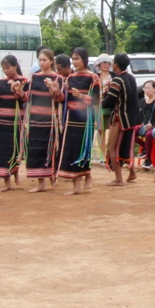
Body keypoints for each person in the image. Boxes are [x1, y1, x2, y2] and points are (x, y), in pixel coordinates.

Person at [58, 47, 101, 196]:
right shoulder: (70, 78)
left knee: (83, 149)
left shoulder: (93, 78)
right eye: (73, 59)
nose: (75, 62)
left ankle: (86, 175)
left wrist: (81, 96)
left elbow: (96, 100)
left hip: (85, 120)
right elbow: (63, 99)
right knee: (70, 149)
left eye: (77, 59)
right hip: (71, 119)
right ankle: (76, 184)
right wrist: (54, 90)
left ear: (84, 59)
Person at [25, 49, 64, 193]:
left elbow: (61, 99)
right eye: (40, 60)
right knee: (36, 150)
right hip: (35, 119)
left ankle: (53, 177)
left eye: (44, 60)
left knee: (51, 148)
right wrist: (17, 90)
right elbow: (26, 97)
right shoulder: (34, 77)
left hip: (50, 120)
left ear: (51, 61)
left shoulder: (57, 78)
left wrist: (54, 90)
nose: (42, 63)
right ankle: (41, 182)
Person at [102, 53, 140, 185]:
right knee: (126, 145)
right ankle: (132, 172)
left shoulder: (117, 80)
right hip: (131, 118)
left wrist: (99, 100)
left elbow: (110, 102)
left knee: (112, 148)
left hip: (120, 118)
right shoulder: (130, 77)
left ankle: (119, 178)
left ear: (116, 64)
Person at [0, 55, 28, 192]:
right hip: (1, 120)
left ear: (15, 66)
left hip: (16, 120)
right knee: (3, 150)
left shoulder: (24, 81)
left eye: (8, 67)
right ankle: (7, 180)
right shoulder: (1, 82)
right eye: (3, 68)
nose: (6, 71)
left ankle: (15, 172)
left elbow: (25, 99)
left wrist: (18, 90)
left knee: (15, 148)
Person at [139, 80, 155, 170]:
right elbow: (141, 115)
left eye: (149, 88)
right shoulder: (143, 101)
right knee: (131, 131)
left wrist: (152, 124)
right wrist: (141, 124)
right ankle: (144, 147)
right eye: (145, 88)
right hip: (144, 125)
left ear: (154, 89)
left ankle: (148, 160)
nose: (146, 90)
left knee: (148, 135)